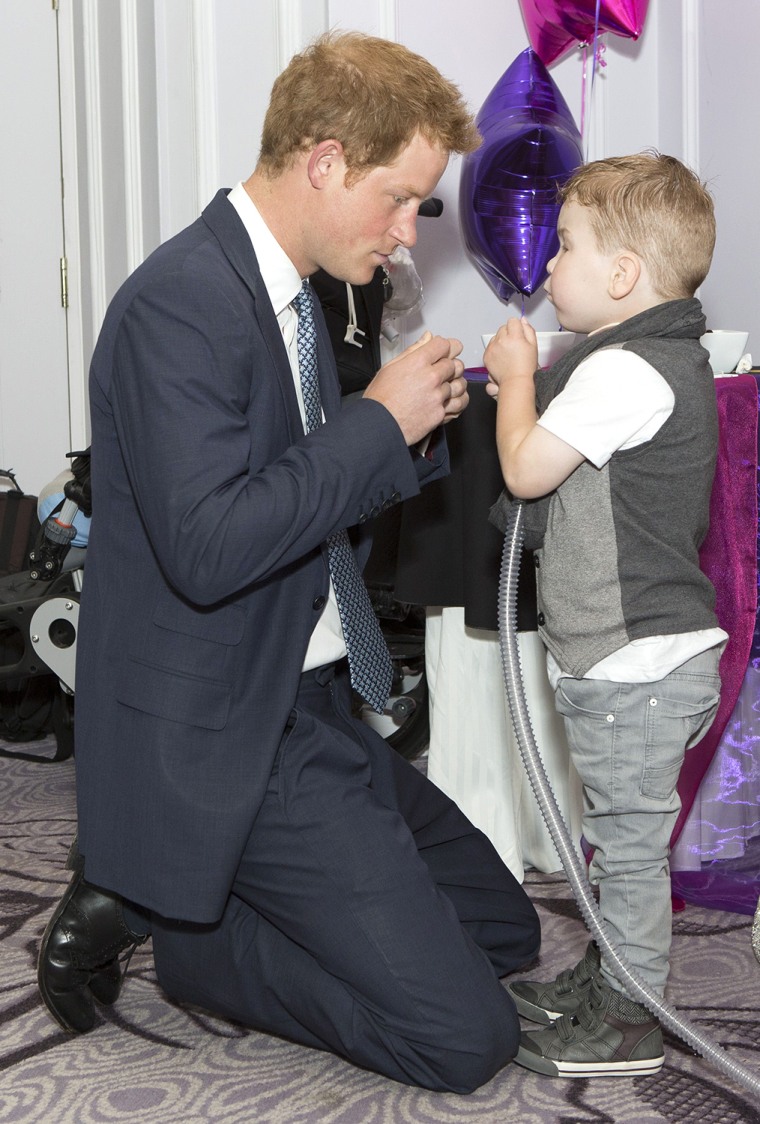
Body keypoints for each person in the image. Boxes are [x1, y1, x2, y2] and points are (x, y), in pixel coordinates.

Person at [37, 31, 540, 1095]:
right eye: (400, 199)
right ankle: (195, 945)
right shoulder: (183, 301)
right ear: (324, 162)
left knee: (503, 928)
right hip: (227, 732)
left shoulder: (294, 295)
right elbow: (211, 547)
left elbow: (307, 518)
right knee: (466, 1036)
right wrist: (372, 424)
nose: (410, 231)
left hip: (303, 700)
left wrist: (402, 430)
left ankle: (205, 902)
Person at [485, 152, 726, 1078]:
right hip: (629, 662)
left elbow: (524, 471)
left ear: (622, 275)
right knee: (615, 839)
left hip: (636, 663)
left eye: (567, 246)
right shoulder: (638, 360)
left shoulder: (625, 371)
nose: (548, 266)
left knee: (626, 852)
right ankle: (615, 974)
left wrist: (515, 377)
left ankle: (631, 1021)